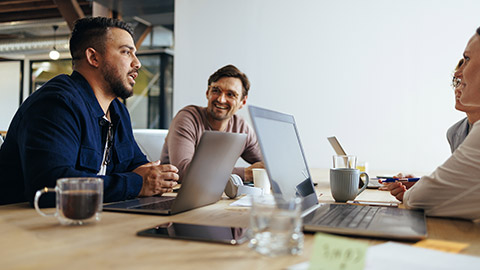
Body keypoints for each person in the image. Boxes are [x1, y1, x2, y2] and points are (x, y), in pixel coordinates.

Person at [0, 17, 179, 207]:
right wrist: (138, 184)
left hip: (87, 220)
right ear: (93, 57)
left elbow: (138, 166)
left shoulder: (117, 110)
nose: (137, 63)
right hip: (23, 225)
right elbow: (49, 188)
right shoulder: (56, 104)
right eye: (126, 52)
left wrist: (160, 177)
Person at [386, 27, 480, 221]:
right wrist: (423, 185)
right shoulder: (456, 132)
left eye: (468, 59)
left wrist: (417, 192)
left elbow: (422, 199)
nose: (459, 74)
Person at [160, 64, 263, 182]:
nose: (221, 99)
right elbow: (182, 171)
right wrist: (245, 174)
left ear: (242, 102)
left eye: (230, 94)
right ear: (207, 92)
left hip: (218, 195)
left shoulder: (241, 127)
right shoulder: (188, 118)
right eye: (216, 91)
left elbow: (267, 164)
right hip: (174, 194)